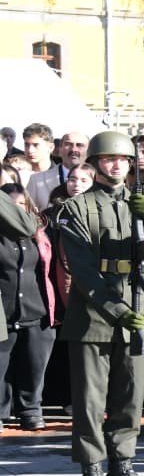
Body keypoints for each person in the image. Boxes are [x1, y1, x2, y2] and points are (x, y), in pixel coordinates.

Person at [56, 131, 144, 476]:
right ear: (94, 164)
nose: (116, 165)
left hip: (139, 307)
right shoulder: (75, 209)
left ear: (130, 165)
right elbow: (82, 270)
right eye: (108, 159)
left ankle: (122, 468)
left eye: (122, 160)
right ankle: (92, 472)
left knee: (130, 397)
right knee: (91, 400)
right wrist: (116, 309)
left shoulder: (143, 203)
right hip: (94, 316)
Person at [0, 185, 55, 432]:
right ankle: (2, 411)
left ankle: (30, 410)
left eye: (20, 205)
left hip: (37, 308)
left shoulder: (41, 232)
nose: (15, 211)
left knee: (34, 366)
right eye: (9, 206)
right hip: (5, 309)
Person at [27, 130, 87, 211]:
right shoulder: (36, 180)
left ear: (88, 150)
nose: (74, 149)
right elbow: (27, 215)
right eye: (68, 144)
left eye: (80, 145)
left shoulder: (97, 180)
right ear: (60, 149)